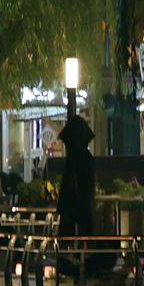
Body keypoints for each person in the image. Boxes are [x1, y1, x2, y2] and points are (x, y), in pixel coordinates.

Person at [57, 99, 99, 242]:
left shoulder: (75, 160)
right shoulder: (86, 159)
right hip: (83, 210)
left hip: (76, 210)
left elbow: (73, 187)